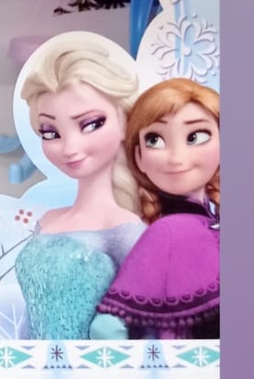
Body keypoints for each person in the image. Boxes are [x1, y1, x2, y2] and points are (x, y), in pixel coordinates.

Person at [13, 32, 145, 339]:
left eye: (91, 124)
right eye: (50, 132)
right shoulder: (47, 221)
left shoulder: (125, 229)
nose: (70, 147)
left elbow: (146, 326)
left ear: (124, 121)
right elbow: (31, 316)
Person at [92, 78, 220, 339]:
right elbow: (106, 328)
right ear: (139, 157)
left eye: (196, 137)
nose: (176, 158)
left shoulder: (209, 226)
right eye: (154, 140)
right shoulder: (169, 231)